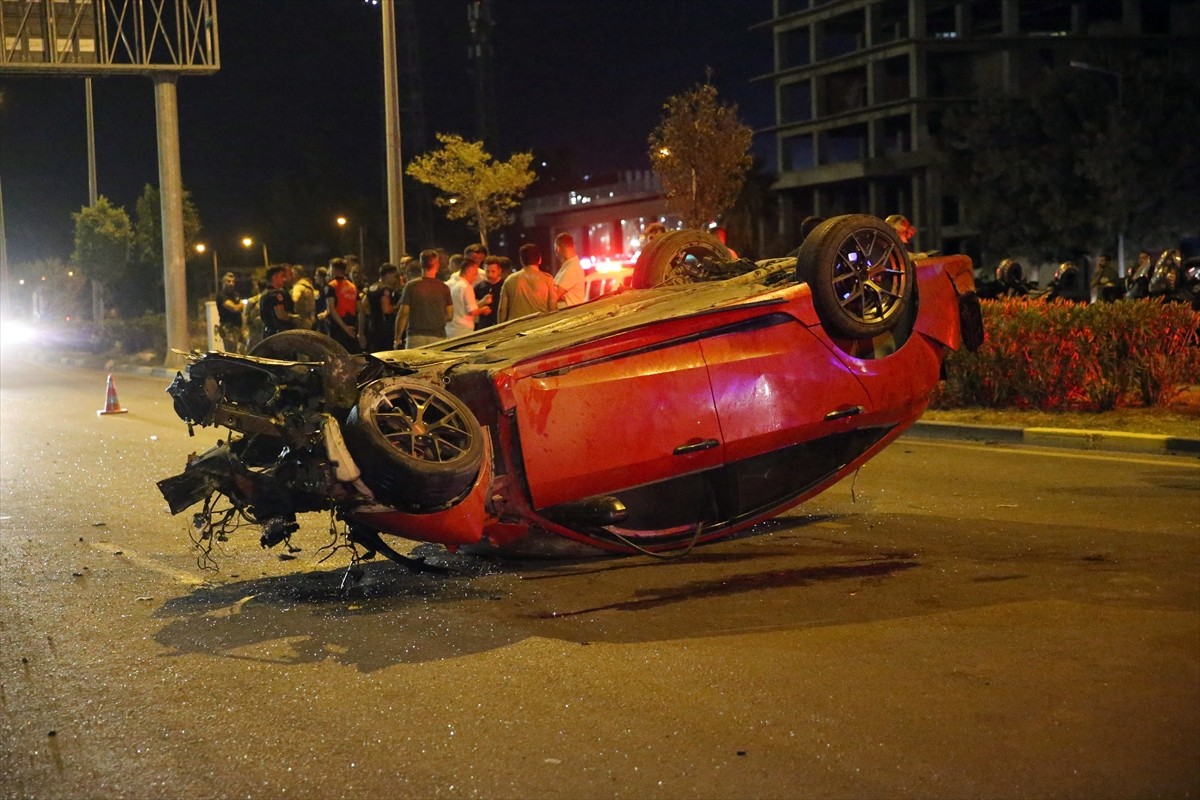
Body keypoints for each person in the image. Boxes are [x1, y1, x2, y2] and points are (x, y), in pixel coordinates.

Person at [394, 249, 453, 348]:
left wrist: (397, 338)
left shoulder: (411, 286)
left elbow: (403, 313)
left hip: (415, 336)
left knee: (413, 363)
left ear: (421, 265)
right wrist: (434, 318)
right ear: (437, 265)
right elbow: (450, 315)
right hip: (438, 337)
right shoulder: (444, 287)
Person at [499, 244, 557, 323]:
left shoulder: (509, 280)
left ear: (521, 260)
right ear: (539, 259)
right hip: (541, 325)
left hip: (515, 328)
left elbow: (502, 310)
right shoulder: (547, 279)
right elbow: (553, 307)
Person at [358, 263, 402, 352]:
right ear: (388, 275)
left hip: (372, 327)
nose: (395, 280)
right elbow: (386, 309)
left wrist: (371, 314)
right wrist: (397, 309)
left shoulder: (372, 287)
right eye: (394, 276)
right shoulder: (385, 289)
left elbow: (364, 304)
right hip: (384, 329)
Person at [446, 260, 491, 338]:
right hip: (463, 331)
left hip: (448, 329)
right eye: (474, 274)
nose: (475, 277)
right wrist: (484, 309)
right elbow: (472, 311)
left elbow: (464, 307)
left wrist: (482, 302)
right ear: (467, 271)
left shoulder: (448, 284)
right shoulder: (466, 287)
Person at [324, 257, 359, 351]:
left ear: (334, 270)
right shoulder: (353, 287)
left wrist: (345, 328)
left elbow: (332, 309)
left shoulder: (332, 286)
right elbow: (360, 309)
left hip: (337, 328)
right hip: (352, 325)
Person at [260, 265, 300, 338]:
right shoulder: (277, 294)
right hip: (280, 335)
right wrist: (293, 318)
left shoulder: (265, 293)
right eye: (282, 276)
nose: (284, 279)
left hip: (268, 334)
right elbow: (281, 314)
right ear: (275, 277)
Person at [552, 232, 585, 309]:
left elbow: (553, 296)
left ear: (558, 249)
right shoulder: (568, 267)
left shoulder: (572, 268)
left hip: (569, 315)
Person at [475, 256, 509, 329]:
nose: (490, 275)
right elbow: (472, 307)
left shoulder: (506, 285)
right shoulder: (478, 287)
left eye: (493, 271)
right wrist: (482, 303)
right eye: (487, 271)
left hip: (502, 326)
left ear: (499, 270)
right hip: (484, 327)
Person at [215, 272, 244, 353]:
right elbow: (234, 308)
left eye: (233, 281)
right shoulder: (221, 295)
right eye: (228, 281)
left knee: (242, 351)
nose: (231, 283)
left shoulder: (236, 294)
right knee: (232, 353)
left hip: (238, 327)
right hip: (228, 328)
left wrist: (239, 306)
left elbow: (242, 307)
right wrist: (238, 306)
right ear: (223, 282)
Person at [290, 264, 318, 330]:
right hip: (311, 318)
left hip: (302, 320)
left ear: (296, 274)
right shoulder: (308, 285)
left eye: (292, 273)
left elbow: (295, 299)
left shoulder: (298, 287)